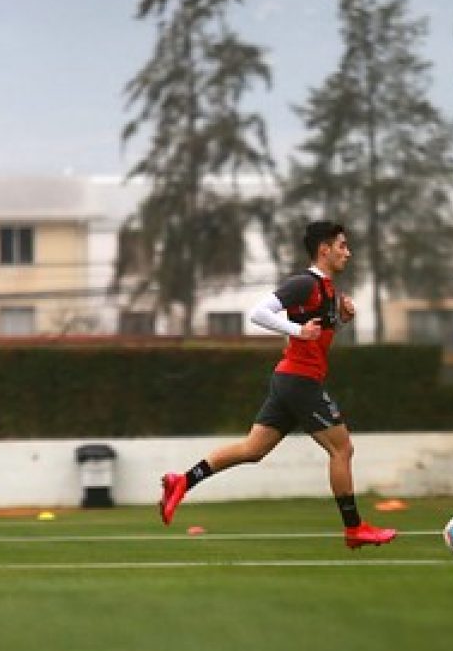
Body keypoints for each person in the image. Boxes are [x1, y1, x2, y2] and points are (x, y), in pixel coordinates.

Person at [158, 220, 397, 550]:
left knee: (252, 450)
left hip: (290, 380)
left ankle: (182, 481)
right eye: (342, 246)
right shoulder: (305, 283)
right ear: (324, 250)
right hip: (300, 381)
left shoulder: (328, 290)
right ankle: (354, 528)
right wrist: (298, 331)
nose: (348, 252)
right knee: (342, 449)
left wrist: (341, 320)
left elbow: (316, 336)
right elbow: (258, 313)